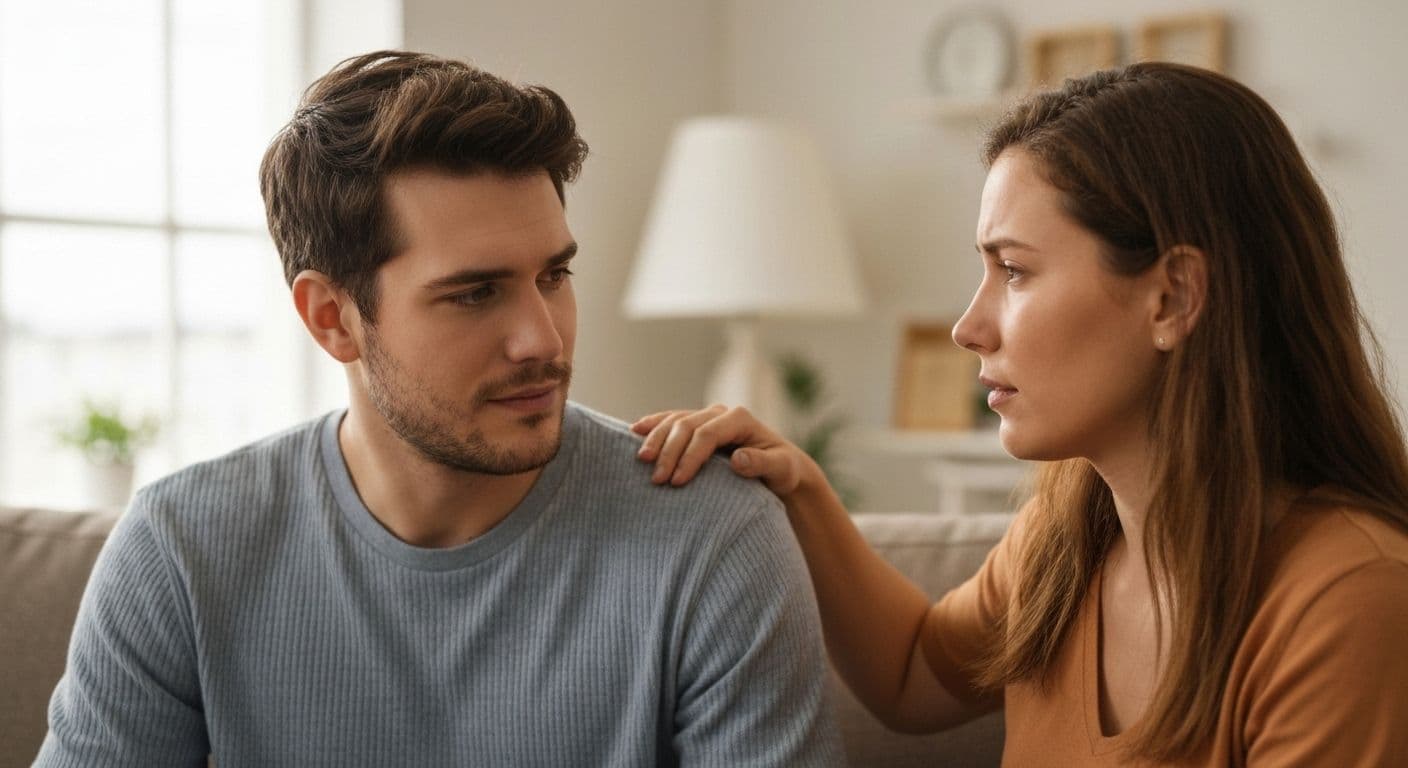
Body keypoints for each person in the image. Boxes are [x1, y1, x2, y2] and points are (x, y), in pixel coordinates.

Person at [37, 51, 842, 767]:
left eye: (554, 276)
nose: (542, 338)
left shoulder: (712, 536)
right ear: (332, 318)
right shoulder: (182, 549)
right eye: (475, 293)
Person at [634, 62, 1408, 766]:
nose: (968, 327)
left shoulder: (1348, 603)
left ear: (1173, 297)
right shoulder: (1067, 538)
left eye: (1014, 270)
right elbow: (911, 675)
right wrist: (797, 486)